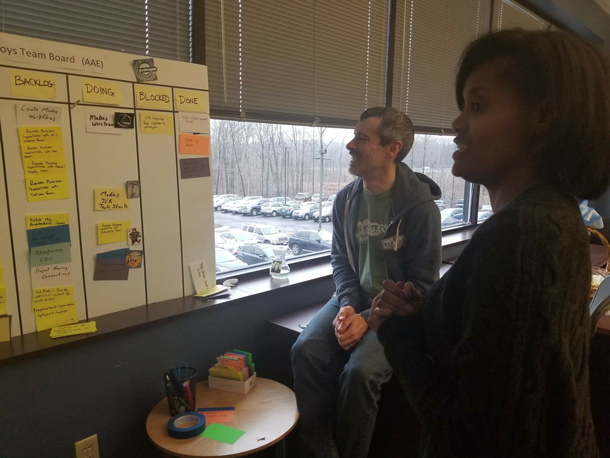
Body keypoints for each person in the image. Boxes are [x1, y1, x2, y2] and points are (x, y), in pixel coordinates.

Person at [369, 29, 610, 458]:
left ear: (542, 117)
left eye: (477, 106)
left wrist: (397, 332)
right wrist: (429, 314)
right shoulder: (554, 216)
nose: (458, 124)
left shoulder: (523, 236)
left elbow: (472, 437)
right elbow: (504, 353)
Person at [291, 106, 442, 458]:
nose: (349, 144)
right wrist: (346, 304)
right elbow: (341, 261)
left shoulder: (420, 208)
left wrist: (371, 319)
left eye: (362, 138)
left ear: (393, 149)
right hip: (352, 296)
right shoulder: (345, 201)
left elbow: (421, 285)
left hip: (397, 311)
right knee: (304, 351)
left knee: (360, 375)